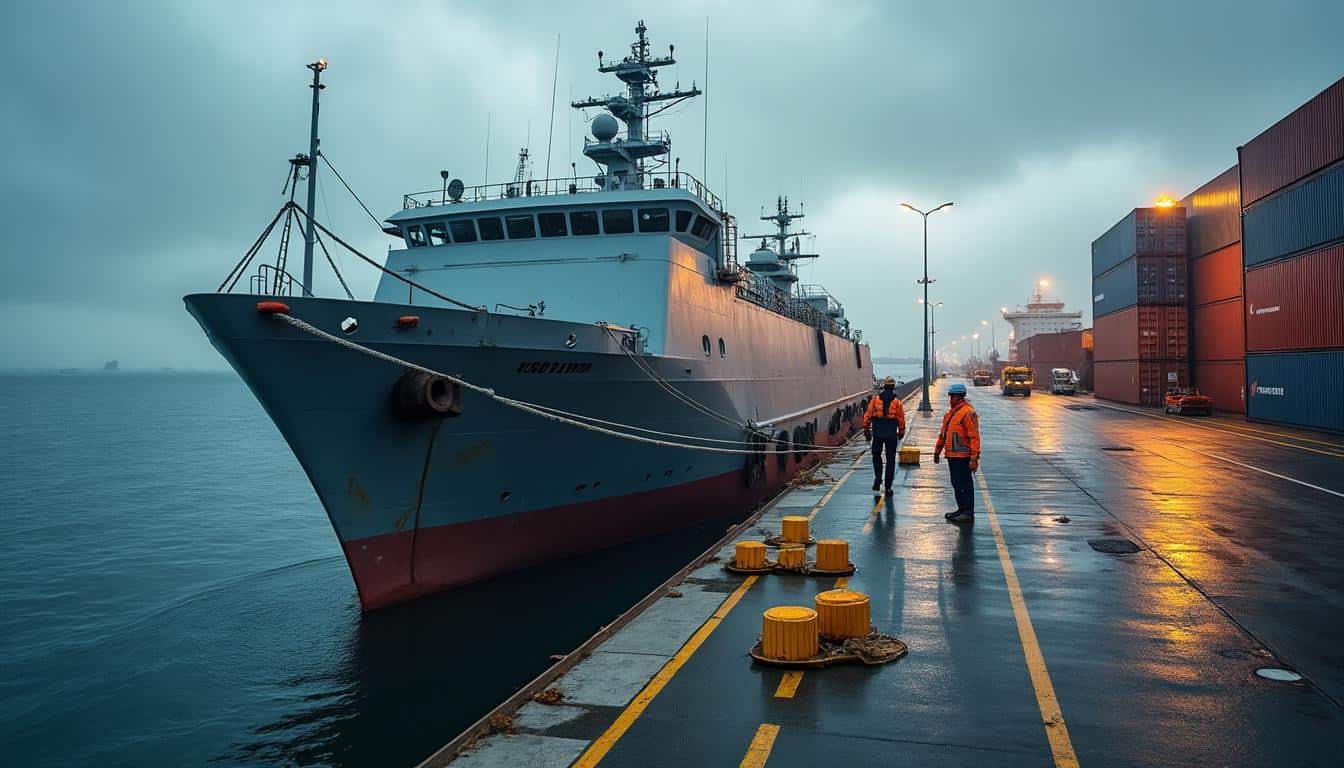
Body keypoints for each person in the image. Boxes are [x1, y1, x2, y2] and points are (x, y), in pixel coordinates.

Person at [933, 383, 981, 524]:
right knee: (956, 484)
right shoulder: (951, 414)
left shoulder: (968, 413)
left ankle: (968, 513)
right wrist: (937, 451)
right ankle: (961, 509)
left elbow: (974, 437)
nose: (950, 399)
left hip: (963, 457)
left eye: (952, 396)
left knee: (965, 485)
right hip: (952, 456)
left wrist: (974, 458)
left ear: (958, 397)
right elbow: (943, 434)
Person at [863, 376, 907, 494]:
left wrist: (866, 430)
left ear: (884, 386)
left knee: (876, 456)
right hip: (891, 434)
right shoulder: (897, 403)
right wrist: (901, 432)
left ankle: (878, 479)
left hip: (878, 433)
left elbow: (867, 416)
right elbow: (901, 419)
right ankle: (888, 487)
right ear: (893, 387)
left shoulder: (875, 400)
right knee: (890, 460)